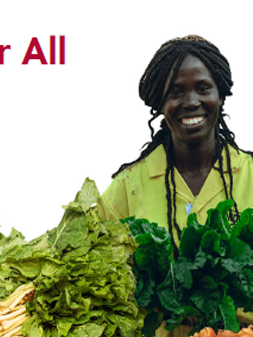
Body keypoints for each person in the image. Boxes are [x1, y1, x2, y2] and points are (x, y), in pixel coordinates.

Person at [97, 35, 253, 336]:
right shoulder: (128, 187)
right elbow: (90, 270)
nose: (191, 102)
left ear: (220, 94)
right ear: (160, 103)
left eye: (203, 88)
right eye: (175, 92)